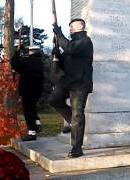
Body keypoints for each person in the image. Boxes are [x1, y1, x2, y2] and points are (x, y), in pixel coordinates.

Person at [50, 18, 93, 158]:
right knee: (54, 100)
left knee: (78, 113)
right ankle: (74, 123)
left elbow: (70, 49)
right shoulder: (72, 43)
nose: (69, 29)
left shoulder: (85, 42)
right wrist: (56, 54)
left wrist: (59, 34)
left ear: (80, 27)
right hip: (67, 81)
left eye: (71, 27)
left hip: (80, 83)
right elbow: (63, 61)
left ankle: (77, 147)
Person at [11, 46, 44, 141]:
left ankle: (32, 131)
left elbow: (14, 63)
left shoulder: (28, 61)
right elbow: (22, 70)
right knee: (32, 107)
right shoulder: (39, 62)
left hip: (28, 89)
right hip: (37, 89)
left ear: (31, 51)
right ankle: (37, 124)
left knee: (28, 111)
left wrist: (17, 53)